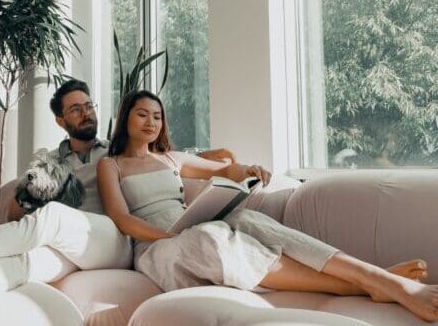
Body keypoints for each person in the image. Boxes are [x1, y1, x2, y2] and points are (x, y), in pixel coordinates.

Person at [0, 79, 236, 326]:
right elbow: (16, 209)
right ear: (61, 120)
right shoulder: (49, 162)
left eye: (89, 106)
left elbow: (164, 156)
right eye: (76, 109)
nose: (86, 113)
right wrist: (26, 197)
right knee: (30, 261)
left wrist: (220, 158)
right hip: (66, 243)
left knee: (58, 217)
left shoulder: (117, 152)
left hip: (113, 238)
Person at [96, 89, 438, 322]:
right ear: (126, 118)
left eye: (157, 116)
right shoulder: (110, 166)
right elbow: (121, 218)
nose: (151, 122)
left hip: (191, 229)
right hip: (157, 250)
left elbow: (225, 169)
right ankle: (380, 284)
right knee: (207, 238)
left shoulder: (170, 158)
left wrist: (248, 170)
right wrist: (166, 235)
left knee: (245, 216)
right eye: (142, 115)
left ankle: (374, 278)